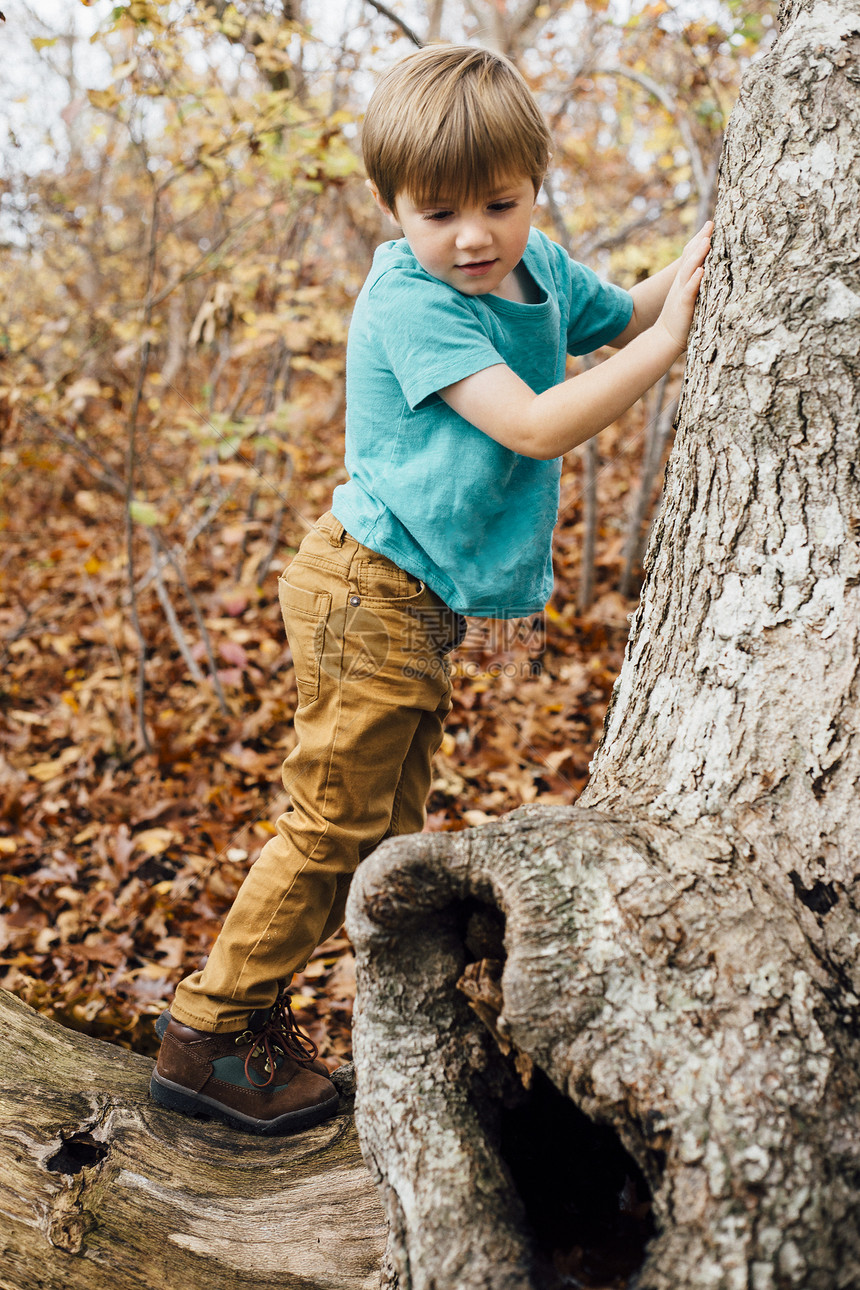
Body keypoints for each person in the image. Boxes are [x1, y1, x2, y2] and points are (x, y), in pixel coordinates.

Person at [150, 43, 712, 1134]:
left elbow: (619, 313)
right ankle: (206, 1034)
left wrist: (696, 266)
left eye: (497, 203)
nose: (471, 235)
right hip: (366, 589)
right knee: (331, 829)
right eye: (437, 210)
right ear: (392, 206)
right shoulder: (411, 304)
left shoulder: (535, 267)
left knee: (383, 836)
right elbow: (536, 423)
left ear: (532, 187)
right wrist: (675, 351)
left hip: (415, 601)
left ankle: (290, 1017)